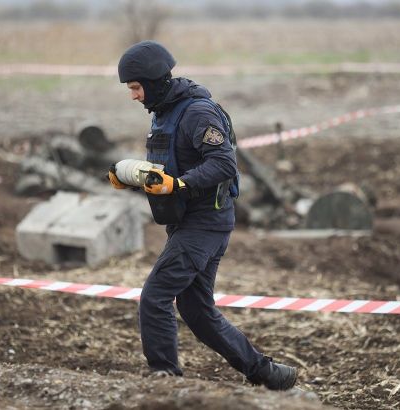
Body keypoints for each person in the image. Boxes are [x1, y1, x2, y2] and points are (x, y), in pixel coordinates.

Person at [108, 40, 297, 391]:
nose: (133, 96)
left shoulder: (197, 113)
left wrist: (180, 185)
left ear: (153, 81)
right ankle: (268, 374)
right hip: (186, 222)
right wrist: (131, 179)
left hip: (205, 223)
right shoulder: (164, 113)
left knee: (155, 295)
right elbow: (168, 172)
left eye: (135, 87)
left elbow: (224, 164)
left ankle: (164, 377)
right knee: (197, 312)